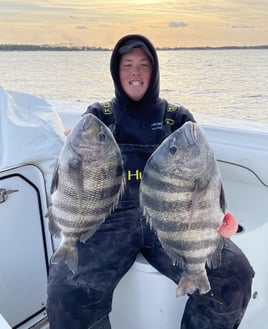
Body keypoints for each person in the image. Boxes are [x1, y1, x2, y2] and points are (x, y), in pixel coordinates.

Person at [47, 34, 254, 329]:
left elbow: (204, 173)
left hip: (173, 220)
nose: (135, 72)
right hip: (111, 219)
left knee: (234, 275)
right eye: (127, 64)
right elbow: (77, 169)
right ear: (116, 72)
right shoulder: (98, 116)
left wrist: (221, 214)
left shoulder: (178, 117)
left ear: (154, 71)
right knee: (67, 288)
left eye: (143, 65)